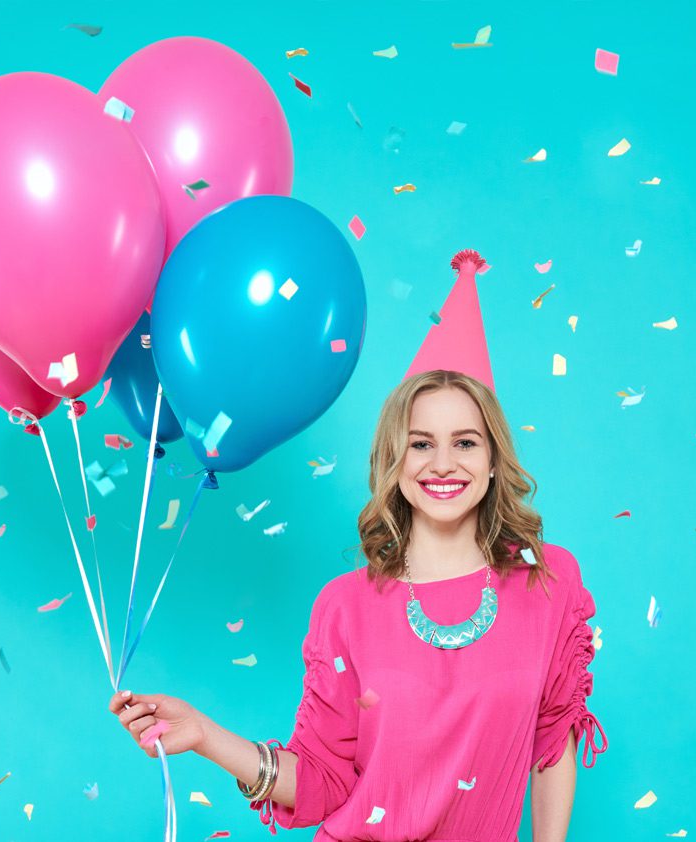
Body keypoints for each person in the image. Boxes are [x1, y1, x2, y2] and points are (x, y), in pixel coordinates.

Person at [108, 251, 607, 841]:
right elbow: (321, 779)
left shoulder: (546, 583)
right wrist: (207, 736)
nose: (443, 464)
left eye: (466, 443)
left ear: (494, 461)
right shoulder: (346, 607)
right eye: (420, 444)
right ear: (394, 464)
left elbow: (554, 740)